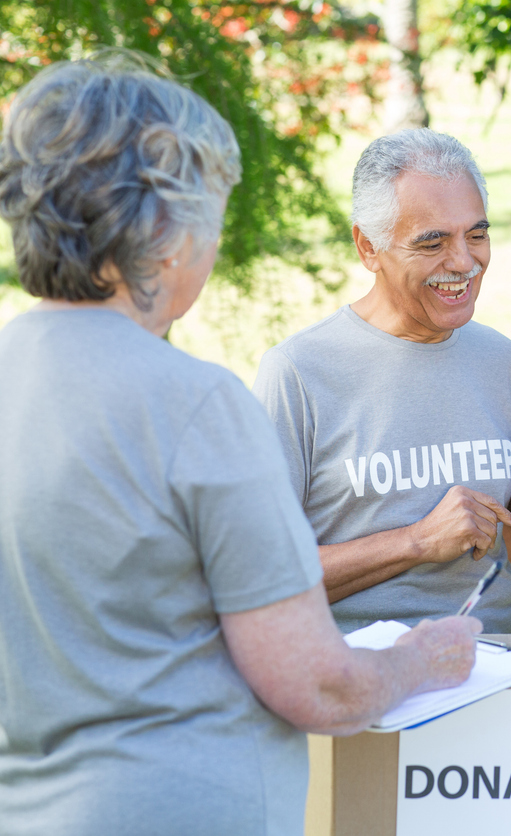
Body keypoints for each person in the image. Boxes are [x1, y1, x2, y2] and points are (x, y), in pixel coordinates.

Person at [0, 56, 480, 836]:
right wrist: (423, 660)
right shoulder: (193, 403)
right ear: (163, 228)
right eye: (211, 214)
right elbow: (317, 687)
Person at [253, 129, 511, 635]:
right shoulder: (298, 374)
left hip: (500, 671)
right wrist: (416, 542)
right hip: (362, 684)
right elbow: (262, 577)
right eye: (432, 241)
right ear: (367, 247)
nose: (463, 261)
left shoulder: (501, 361)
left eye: (476, 234)